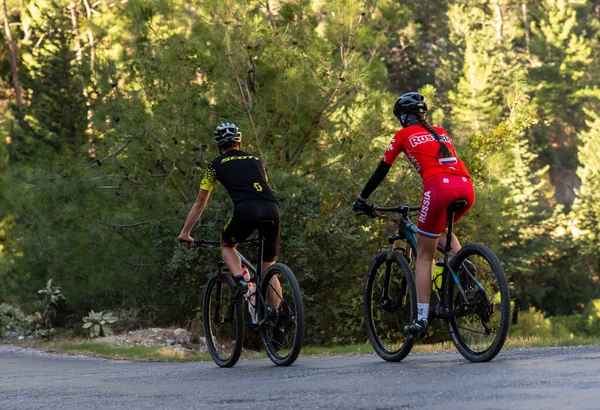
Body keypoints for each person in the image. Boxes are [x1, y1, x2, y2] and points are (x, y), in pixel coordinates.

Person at [352, 92, 475, 335]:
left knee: (424, 254)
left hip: (439, 188)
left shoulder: (402, 135)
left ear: (402, 118)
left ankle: (421, 319)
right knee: (443, 231)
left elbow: (381, 170)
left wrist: (362, 199)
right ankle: (463, 265)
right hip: (466, 187)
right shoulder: (441, 131)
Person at [178, 123, 281, 301]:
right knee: (268, 267)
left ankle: (240, 281)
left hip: (246, 209)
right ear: (239, 144)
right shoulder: (256, 160)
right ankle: (279, 315)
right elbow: (262, 183)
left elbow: (199, 204)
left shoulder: (214, 166)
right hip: (272, 208)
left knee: (226, 245)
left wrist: (185, 233)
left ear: (219, 147)